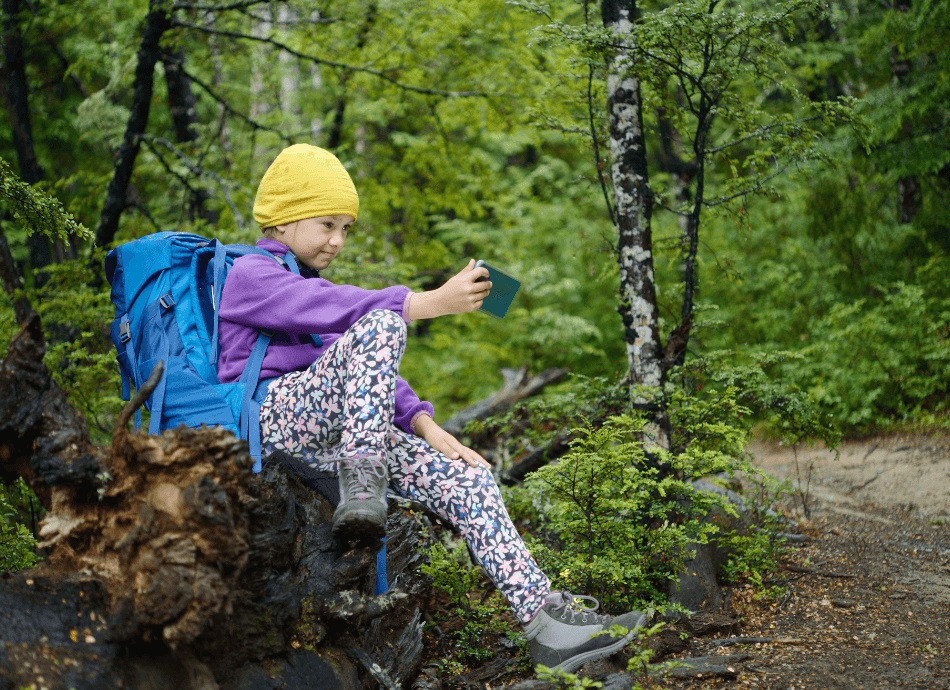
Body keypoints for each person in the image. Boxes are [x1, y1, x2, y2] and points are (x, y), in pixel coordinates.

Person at [217, 143, 646, 673]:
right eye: (327, 223)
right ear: (282, 219)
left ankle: (544, 622)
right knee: (381, 322)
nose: (337, 239)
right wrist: (426, 302)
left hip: (332, 431)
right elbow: (342, 314)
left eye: (346, 228)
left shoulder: (306, 282)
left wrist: (426, 425)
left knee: (467, 478)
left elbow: (348, 357)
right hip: (270, 422)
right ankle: (363, 486)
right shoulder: (252, 275)